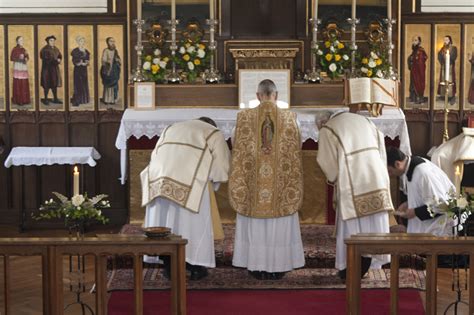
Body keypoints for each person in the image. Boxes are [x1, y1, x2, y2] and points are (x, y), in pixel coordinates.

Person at [229, 79, 305, 280]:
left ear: (257, 95)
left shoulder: (243, 118)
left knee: (254, 224)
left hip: (253, 186)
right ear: (276, 95)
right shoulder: (291, 118)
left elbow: (235, 144)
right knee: (279, 224)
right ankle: (278, 267)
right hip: (280, 187)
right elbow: (298, 145)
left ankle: (255, 266)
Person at [140, 117, 231, 280]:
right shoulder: (213, 133)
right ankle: (194, 266)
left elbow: (155, 155)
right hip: (189, 183)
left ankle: (168, 265)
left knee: (164, 224)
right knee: (189, 226)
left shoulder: (171, 127)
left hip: (157, 180)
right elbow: (221, 167)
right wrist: (211, 184)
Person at [317, 111, 394, 280]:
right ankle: (370, 263)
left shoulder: (327, 129)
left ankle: (352, 268)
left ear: (322, 122)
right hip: (376, 178)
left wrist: (336, 178)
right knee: (373, 222)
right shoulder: (364, 120)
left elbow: (326, 161)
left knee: (353, 227)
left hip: (352, 182)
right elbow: (381, 147)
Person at [386, 147, 454, 236]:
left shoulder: (423, 173)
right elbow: (426, 195)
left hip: (437, 234)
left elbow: (443, 205)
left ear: (397, 164)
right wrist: (408, 203)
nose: (390, 175)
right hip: (427, 232)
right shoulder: (411, 168)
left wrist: (415, 212)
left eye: (390, 171)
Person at [40, 35, 62, 105]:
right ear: (47, 41)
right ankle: (46, 99)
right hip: (47, 70)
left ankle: (55, 98)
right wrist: (56, 61)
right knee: (47, 84)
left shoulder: (56, 48)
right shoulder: (45, 49)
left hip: (54, 69)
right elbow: (47, 60)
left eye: (53, 40)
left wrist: (59, 59)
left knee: (54, 83)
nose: (53, 42)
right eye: (51, 40)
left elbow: (60, 55)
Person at [437, 35, 457, 105]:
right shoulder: (442, 48)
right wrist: (442, 59)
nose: (445, 41)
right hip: (443, 66)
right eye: (444, 40)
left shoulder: (453, 48)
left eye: (446, 40)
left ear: (450, 40)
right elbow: (439, 55)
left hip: (450, 66)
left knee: (450, 80)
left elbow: (454, 56)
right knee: (443, 79)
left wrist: (448, 58)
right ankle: (443, 95)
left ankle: (451, 96)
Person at [10, 36, 30, 105]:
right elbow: (12, 58)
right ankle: (18, 100)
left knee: (24, 82)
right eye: (20, 40)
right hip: (18, 67)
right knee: (18, 83)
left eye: (22, 40)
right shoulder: (14, 49)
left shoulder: (24, 49)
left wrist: (26, 57)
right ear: (17, 41)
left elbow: (27, 56)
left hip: (23, 67)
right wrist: (19, 57)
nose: (22, 41)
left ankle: (25, 100)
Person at [70, 36, 90, 106]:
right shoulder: (75, 51)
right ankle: (77, 100)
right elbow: (73, 60)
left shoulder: (86, 51)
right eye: (81, 41)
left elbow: (88, 60)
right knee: (78, 84)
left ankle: (84, 100)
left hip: (84, 69)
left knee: (84, 83)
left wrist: (86, 63)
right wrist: (78, 63)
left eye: (83, 41)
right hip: (78, 69)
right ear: (78, 42)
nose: (82, 42)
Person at [100, 37, 121, 105]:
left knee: (114, 85)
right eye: (111, 41)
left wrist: (118, 61)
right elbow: (103, 60)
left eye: (113, 41)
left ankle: (113, 99)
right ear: (108, 42)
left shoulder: (115, 51)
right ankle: (107, 99)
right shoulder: (106, 50)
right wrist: (107, 63)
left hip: (114, 71)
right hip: (107, 70)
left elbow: (118, 59)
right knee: (108, 85)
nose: (112, 43)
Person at [407, 35, 428, 104]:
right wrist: (410, 59)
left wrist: (413, 60)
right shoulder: (415, 50)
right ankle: (413, 99)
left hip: (418, 71)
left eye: (415, 40)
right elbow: (411, 58)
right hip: (414, 70)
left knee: (418, 83)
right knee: (413, 83)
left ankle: (419, 99)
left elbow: (421, 61)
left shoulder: (420, 51)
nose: (414, 42)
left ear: (419, 42)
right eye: (413, 40)